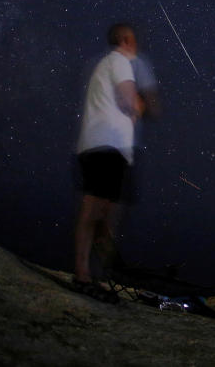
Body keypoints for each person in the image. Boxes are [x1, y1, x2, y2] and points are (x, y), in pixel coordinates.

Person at [72, 23, 154, 301]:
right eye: (134, 39)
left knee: (103, 210)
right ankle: (85, 275)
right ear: (125, 39)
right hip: (106, 145)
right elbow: (129, 101)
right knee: (96, 208)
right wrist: (142, 105)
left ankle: (96, 273)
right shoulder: (119, 62)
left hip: (105, 145)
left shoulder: (107, 64)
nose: (137, 45)